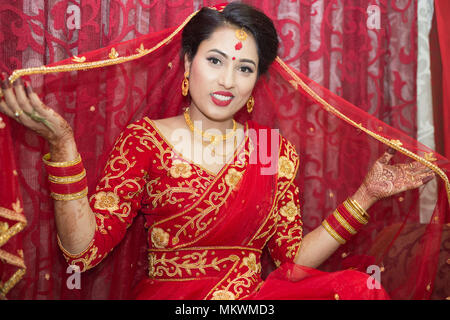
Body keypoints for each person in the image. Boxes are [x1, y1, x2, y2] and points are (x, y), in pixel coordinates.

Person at [0, 3, 445, 300]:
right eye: (215, 61)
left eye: (245, 68)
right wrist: (62, 146)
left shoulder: (270, 150)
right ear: (188, 62)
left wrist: (365, 195)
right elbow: (82, 253)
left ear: (256, 81)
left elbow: (290, 263)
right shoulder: (145, 140)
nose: (228, 81)